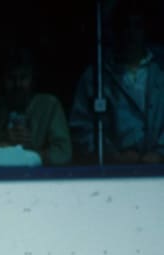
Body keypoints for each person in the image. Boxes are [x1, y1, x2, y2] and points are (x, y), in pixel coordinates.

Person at [69, 1, 164, 165]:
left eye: (137, 25)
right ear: (114, 30)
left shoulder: (161, 72)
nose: (131, 32)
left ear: (146, 30)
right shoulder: (95, 76)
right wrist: (110, 155)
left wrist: (160, 154)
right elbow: (81, 128)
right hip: (113, 172)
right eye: (124, 26)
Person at [0, 46, 72, 166]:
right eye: (11, 78)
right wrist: (2, 139)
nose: (18, 84)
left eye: (23, 77)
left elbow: (63, 153)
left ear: (32, 78)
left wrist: (29, 155)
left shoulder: (49, 106)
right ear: (3, 79)